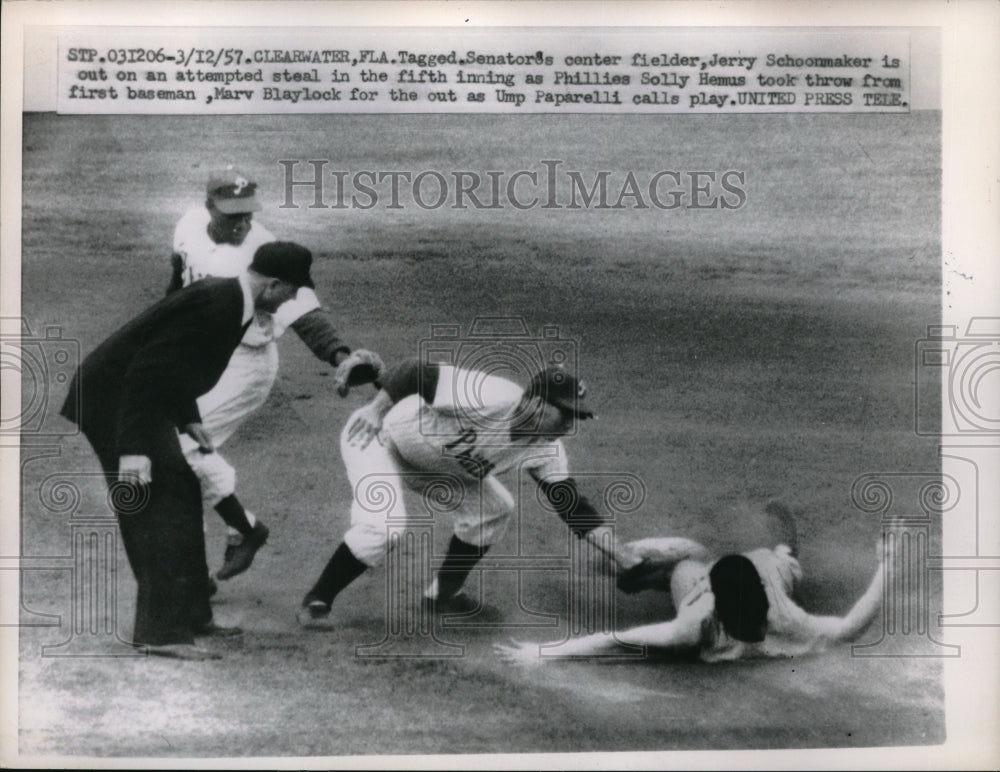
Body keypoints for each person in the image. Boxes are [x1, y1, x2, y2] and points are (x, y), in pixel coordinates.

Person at [61, 242, 315, 660]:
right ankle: (160, 633)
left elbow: (174, 363)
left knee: (182, 487)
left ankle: (193, 613)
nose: (292, 299)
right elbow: (147, 368)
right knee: (156, 505)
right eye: (292, 291)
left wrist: (188, 416)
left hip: (139, 397)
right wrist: (134, 450)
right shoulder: (222, 304)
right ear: (274, 284)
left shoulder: (232, 299)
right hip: (114, 400)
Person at [296, 358, 644, 628]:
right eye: (565, 414)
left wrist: (624, 556)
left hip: (437, 470)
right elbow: (416, 370)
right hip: (376, 438)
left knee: (495, 508)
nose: (569, 425)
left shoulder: (546, 449)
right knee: (384, 526)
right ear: (536, 403)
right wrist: (375, 410)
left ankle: (441, 596)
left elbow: (573, 509)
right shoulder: (489, 395)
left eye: (576, 417)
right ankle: (317, 601)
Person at [168, 168, 383, 583]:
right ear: (208, 206)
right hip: (199, 354)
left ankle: (209, 560)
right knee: (179, 451)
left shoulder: (265, 253)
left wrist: (341, 356)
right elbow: (177, 279)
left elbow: (304, 313)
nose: (242, 223)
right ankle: (239, 532)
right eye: (232, 215)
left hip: (243, 366)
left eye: (248, 214)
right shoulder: (188, 225)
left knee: (179, 451)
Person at [493, 514, 888, 665]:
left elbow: (853, 625)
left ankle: (784, 543)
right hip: (693, 576)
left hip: (761, 567)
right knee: (685, 557)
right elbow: (612, 640)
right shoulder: (694, 624)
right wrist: (542, 653)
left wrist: (890, 563)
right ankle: (638, 572)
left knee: (783, 560)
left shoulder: (783, 612)